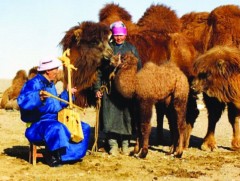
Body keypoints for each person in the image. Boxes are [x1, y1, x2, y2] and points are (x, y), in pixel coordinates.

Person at [17, 57, 91, 167]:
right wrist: (39, 97)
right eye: (55, 69)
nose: (57, 72)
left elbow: (56, 105)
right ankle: (51, 155)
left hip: (55, 119)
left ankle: (67, 155)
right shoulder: (33, 83)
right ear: (48, 70)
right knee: (56, 128)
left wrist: (68, 94)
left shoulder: (50, 84)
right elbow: (22, 101)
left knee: (83, 127)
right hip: (38, 124)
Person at [94, 21, 142, 156]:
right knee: (110, 118)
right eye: (116, 35)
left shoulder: (132, 49)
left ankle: (125, 144)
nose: (118, 38)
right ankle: (113, 144)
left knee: (127, 117)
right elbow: (98, 71)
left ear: (125, 35)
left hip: (126, 91)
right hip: (110, 91)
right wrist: (97, 88)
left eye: (121, 35)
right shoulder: (107, 49)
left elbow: (139, 69)